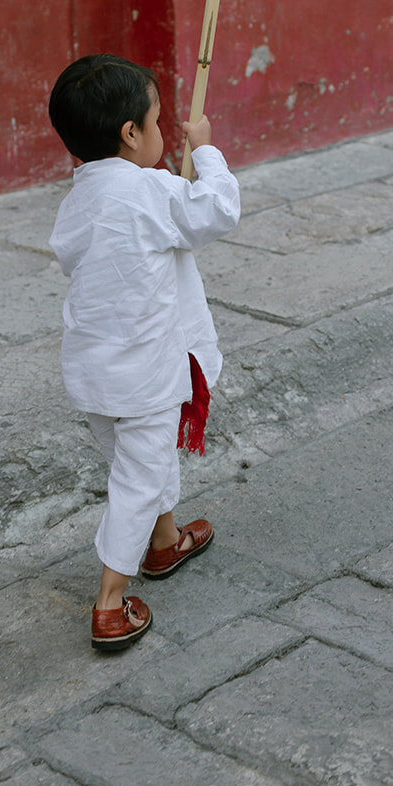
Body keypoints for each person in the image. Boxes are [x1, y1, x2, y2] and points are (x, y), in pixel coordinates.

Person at [47, 54, 240, 651]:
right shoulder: (154, 189)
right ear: (131, 134)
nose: (166, 132)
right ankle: (109, 601)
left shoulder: (78, 200)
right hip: (146, 372)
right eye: (157, 122)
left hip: (93, 372)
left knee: (136, 461)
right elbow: (220, 210)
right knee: (137, 475)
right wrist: (205, 151)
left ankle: (165, 542)